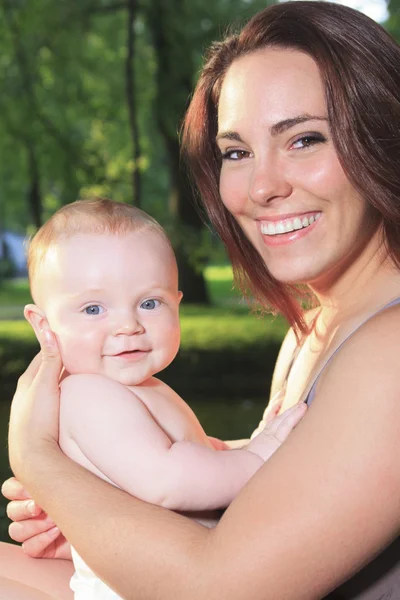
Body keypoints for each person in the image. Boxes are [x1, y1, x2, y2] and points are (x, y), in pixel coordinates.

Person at [2, 1, 400, 598]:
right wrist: (101, 512)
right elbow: (279, 478)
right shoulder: (311, 331)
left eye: (305, 139)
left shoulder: (389, 352)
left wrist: (39, 460)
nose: (263, 186)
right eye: (237, 153)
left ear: (383, 134)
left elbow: (218, 589)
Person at [14, 197, 305, 599]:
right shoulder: (87, 395)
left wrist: (253, 442)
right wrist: (257, 458)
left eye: (150, 303)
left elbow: (198, 454)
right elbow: (167, 481)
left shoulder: (144, 389)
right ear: (43, 326)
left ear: (177, 304)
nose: (128, 325)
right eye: (94, 308)